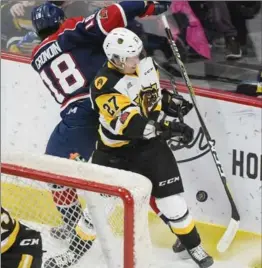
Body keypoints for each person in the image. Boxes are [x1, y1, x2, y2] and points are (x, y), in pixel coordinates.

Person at [30, 1, 171, 267]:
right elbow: (112, 14)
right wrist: (147, 6)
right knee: (142, 167)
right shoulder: (70, 30)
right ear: (61, 19)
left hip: (77, 119)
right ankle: (175, 225)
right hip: (112, 103)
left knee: (53, 171)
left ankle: (72, 225)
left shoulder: (36, 55)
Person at [90, 27, 214, 268]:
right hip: (114, 153)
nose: (136, 60)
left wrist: (171, 105)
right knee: (96, 209)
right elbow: (132, 124)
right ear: (114, 59)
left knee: (172, 203)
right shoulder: (104, 85)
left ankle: (193, 246)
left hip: (148, 147)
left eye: (138, 53)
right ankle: (77, 246)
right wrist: (170, 128)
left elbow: (151, 97)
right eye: (130, 57)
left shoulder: (145, 66)